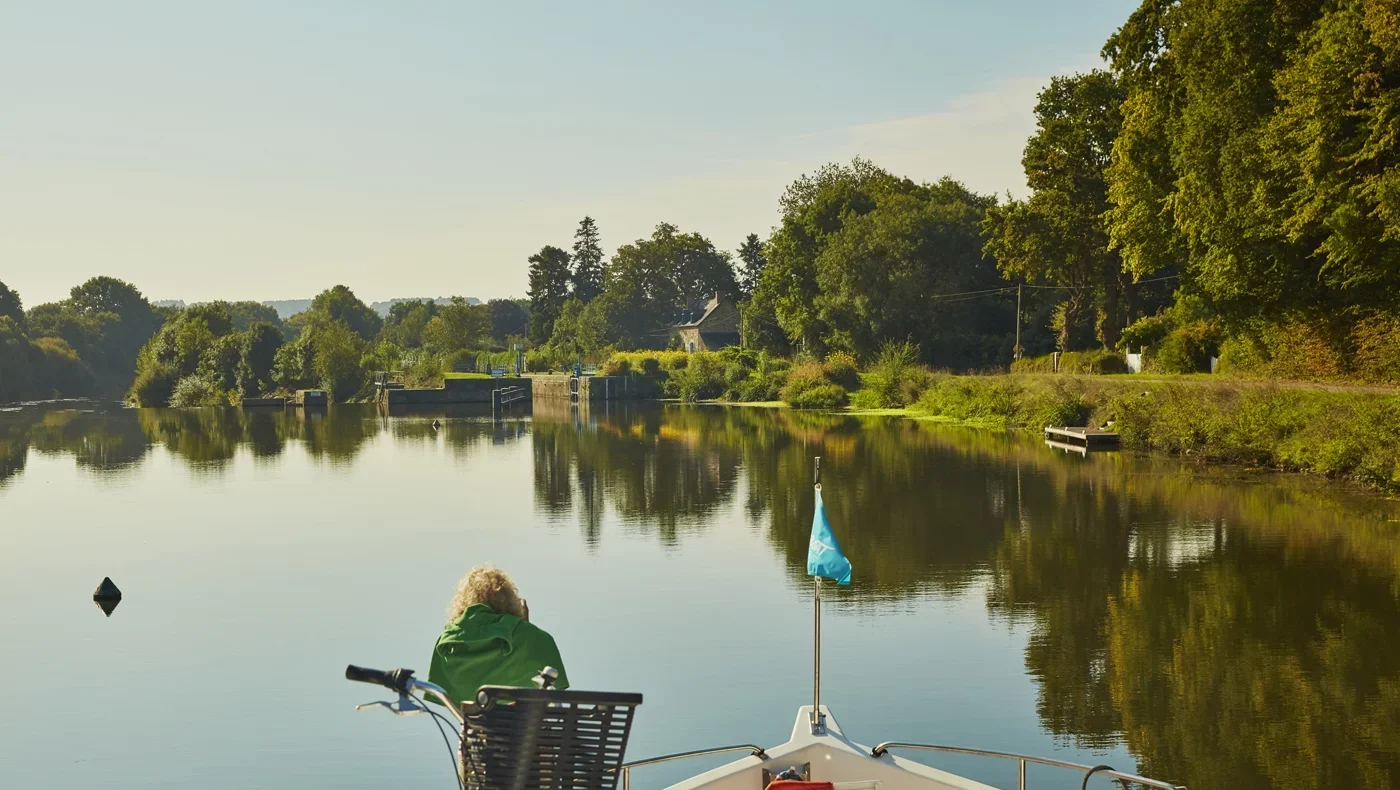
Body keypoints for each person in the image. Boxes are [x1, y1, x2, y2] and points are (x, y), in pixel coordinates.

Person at [428, 565, 569, 706]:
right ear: (508, 599)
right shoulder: (531, 637)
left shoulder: (446, 644)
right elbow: (553, 691)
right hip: (521, 719)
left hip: (475, 720)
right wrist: (524, 627)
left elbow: (446, 697)